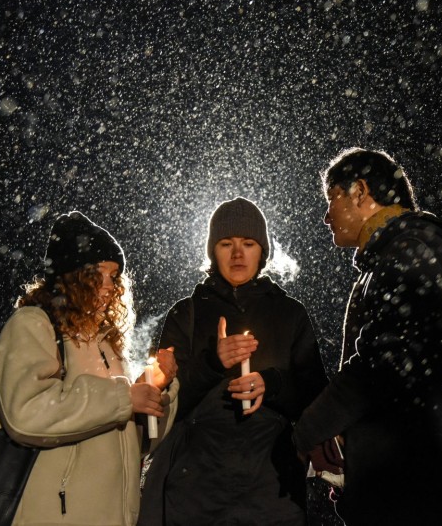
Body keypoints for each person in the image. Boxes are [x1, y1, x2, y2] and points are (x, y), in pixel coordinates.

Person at [292, 148, 442, 525]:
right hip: (412, 487)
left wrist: (309, 430)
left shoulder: (409, 252)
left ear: (360, 193)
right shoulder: (399, 254)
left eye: (332, 198)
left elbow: (382, 366)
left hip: (416, 493)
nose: (325, 215)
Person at [138, 197, 329, 526]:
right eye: (226, 243)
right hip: (196, 491)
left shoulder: (290, 314)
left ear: (262, 251)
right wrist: (214, 362)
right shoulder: (187, 314)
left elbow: (316, 399)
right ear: (213, 250)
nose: (238, 254)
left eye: (248, 243)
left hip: (271, 489)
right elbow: (166, 407)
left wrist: (272, 383)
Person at [0, 211, 179, 526]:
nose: (109, 286)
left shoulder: (106, 342)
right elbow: (25, 415)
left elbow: (133, 445)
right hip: (54, 516)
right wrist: (124, 399)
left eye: (114, 275)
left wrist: (156, 392)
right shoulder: (34, 324)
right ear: (71, 275)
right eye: (97, 274)